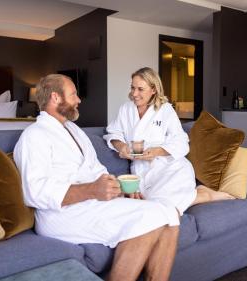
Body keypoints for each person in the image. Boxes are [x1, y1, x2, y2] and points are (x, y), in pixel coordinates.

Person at [14, 74, 180, 281]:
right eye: (74, 94)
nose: (79, 100)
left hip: (91, 202)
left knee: (170, 213)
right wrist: (92, 190)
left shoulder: (74, 130)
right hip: (61, 214)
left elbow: (96, 170)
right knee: (150, 216)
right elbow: (34, 192)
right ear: (56, 98)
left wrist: (118, 187)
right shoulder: (34, 135)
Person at [104, 67, 234, 215]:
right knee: (152, 206)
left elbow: (181, 141)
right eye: (133, 88)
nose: (134, 94)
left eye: (140, 89)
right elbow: (113, 132)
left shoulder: (165, 110)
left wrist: (156, 151)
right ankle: (199, 195)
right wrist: (121, 146)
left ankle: (205, 195)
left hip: (169, 167)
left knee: (161, 207)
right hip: (141, 170)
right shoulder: (126, 109)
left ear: (153, 89)